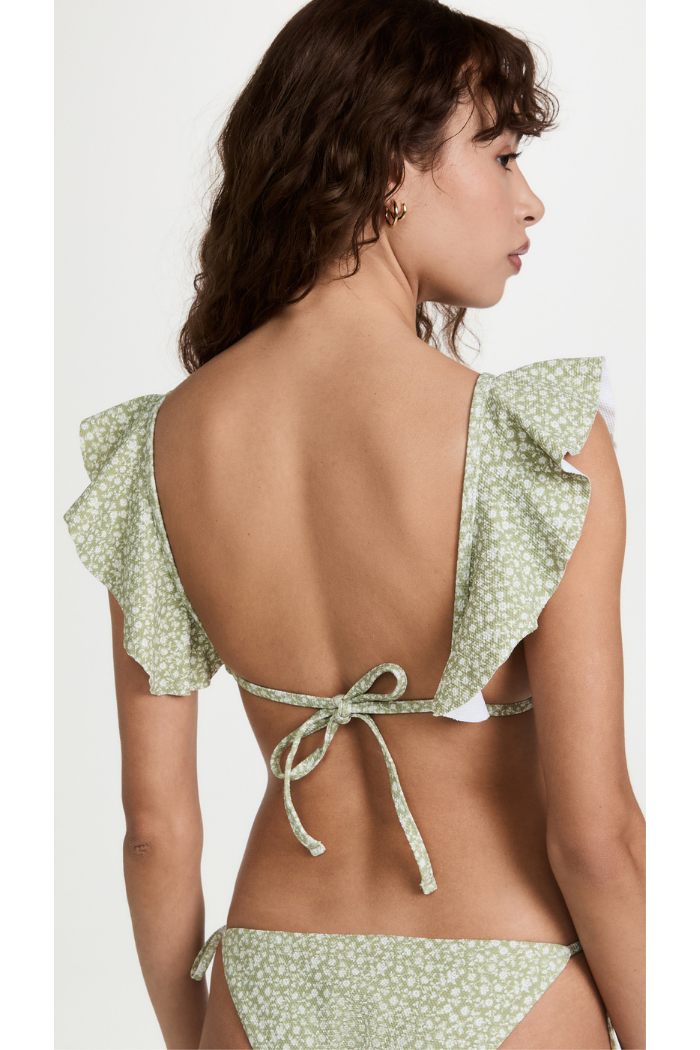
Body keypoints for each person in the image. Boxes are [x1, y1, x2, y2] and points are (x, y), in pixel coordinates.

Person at [63, 1, 645, 1047]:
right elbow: (597, 842)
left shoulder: (160, 449)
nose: (530, 200)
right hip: (504, 978)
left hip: (270, 981)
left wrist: (201, 1033)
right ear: (388, 170)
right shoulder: (537, 445)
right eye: (502, 156)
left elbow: (154, 832)